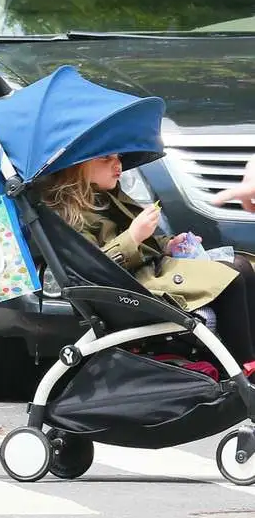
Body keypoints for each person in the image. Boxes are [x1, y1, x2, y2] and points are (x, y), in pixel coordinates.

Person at [39, 152, 255, 362]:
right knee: (231, 278)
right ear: (76, 166)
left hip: (149, 271)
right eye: (106, 158)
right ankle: (244, 365)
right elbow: (94, 269)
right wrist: (133, 236)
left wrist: (168, 244)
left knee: (243, 265)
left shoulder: (106, 195)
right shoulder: (69, 217)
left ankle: (246, 356)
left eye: (118, 158)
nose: (118, 165)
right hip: (131, 290)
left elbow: (144, 241)